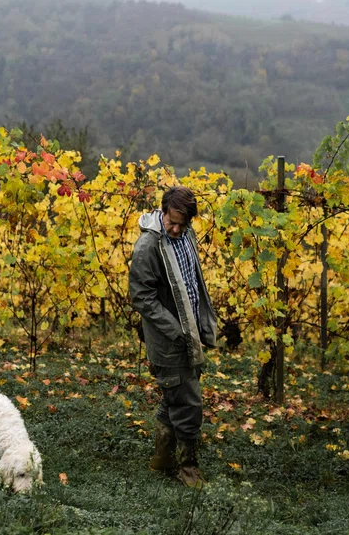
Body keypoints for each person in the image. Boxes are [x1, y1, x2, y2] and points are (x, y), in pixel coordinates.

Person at [129, 185, 218, 487]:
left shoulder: (186, 235)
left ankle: (162, 459)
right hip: (170, 339)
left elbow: (193, 280)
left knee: (176, 396)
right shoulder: (148, 246)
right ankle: (188, 470)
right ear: (162, 211)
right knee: (188, 402)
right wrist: (177, 330)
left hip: (189, 333)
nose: (177, 229)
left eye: (183, 223)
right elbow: (142, 297)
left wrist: (199, 324)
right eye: (172, 222)